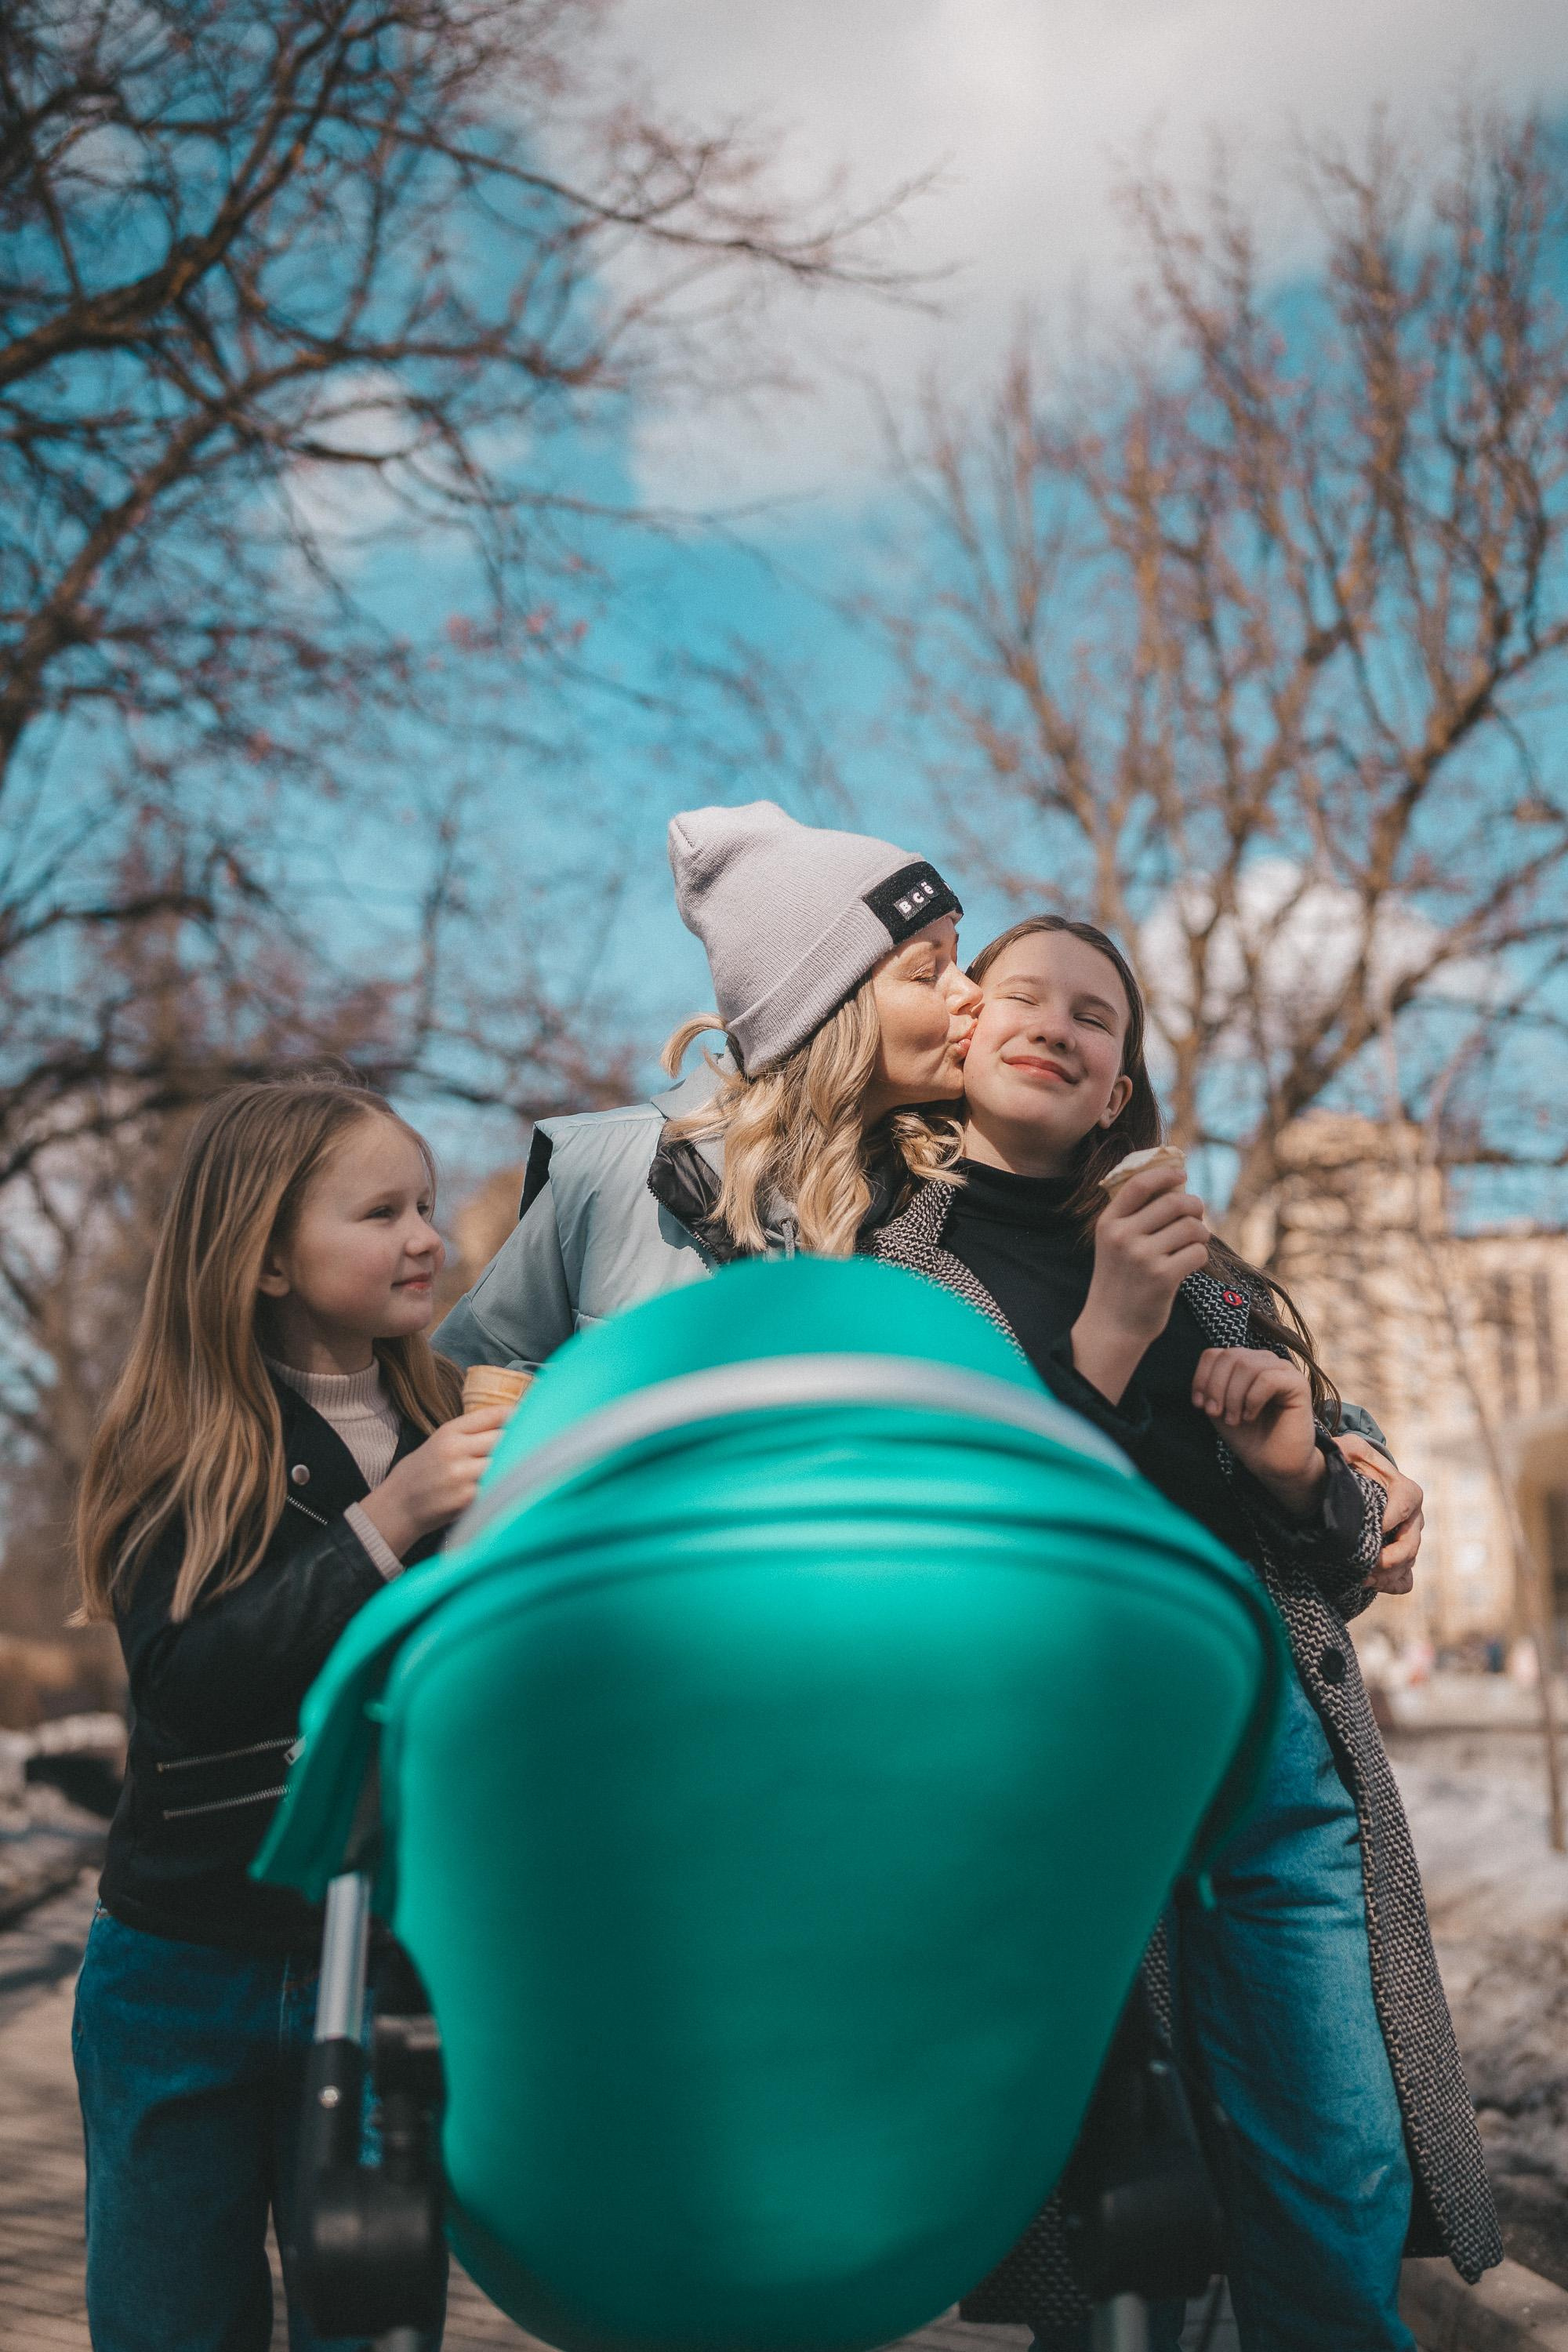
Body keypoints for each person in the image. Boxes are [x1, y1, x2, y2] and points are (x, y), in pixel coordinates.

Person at [874, 916, 1501, 2352]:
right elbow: (956, 1551)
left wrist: (1298, 1467)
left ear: (1118, 1090)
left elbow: (1342, 1555)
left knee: (1334, 2162)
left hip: (1268, 1747)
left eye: (1099, 1018)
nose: (1058, 1023)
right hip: (1063, 1780)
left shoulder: (1204, 1265)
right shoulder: (892, 1274)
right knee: (1124, 2206)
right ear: (962, 1040)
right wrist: (1104, 1329)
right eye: (1023, 994)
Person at [72, 1073, 506, 2352]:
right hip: (180, 1966)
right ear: (266, 1256)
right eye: (381, 1212)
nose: (426, 1237)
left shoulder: (459, 1424)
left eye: (427, 1205)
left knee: (369, 2322)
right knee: (168, 2321)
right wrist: (391, 1521)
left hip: (384, 1969)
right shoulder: (182, 1443)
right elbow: (193, 1680)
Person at [434, 799, 982, 1367]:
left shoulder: (957, 1192)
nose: (971, 993)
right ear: (822, 1014)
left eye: (959, 963)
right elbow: (456, 1389)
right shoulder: (605, 1175)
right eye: (925, 972)